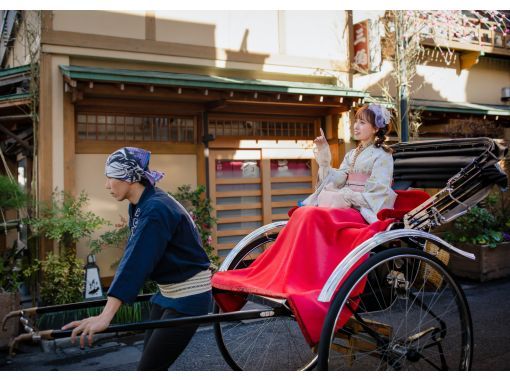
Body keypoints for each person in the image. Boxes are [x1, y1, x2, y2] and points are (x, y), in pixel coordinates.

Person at [62, 147, 212, 371]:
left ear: (129, 177)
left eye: (110, 177)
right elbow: (136, 253)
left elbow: (136, 261)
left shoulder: (155, 209)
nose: (106, 185)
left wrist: (106, 316)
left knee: (148, 369)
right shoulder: (141, 203)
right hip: (167, 293)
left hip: (189, 296)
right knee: (149, 364)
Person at [301, 103, 396, 223]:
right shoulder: (351, 154)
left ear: (375, 128)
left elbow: (378, 193)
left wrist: (349, 196)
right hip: (348, 206)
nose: (355, 126)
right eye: (356, 121)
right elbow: (338, 180)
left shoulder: (383, 155)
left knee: (316, 216)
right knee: (306, 212)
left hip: (365, 210)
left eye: (362, 123)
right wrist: (324, 159)